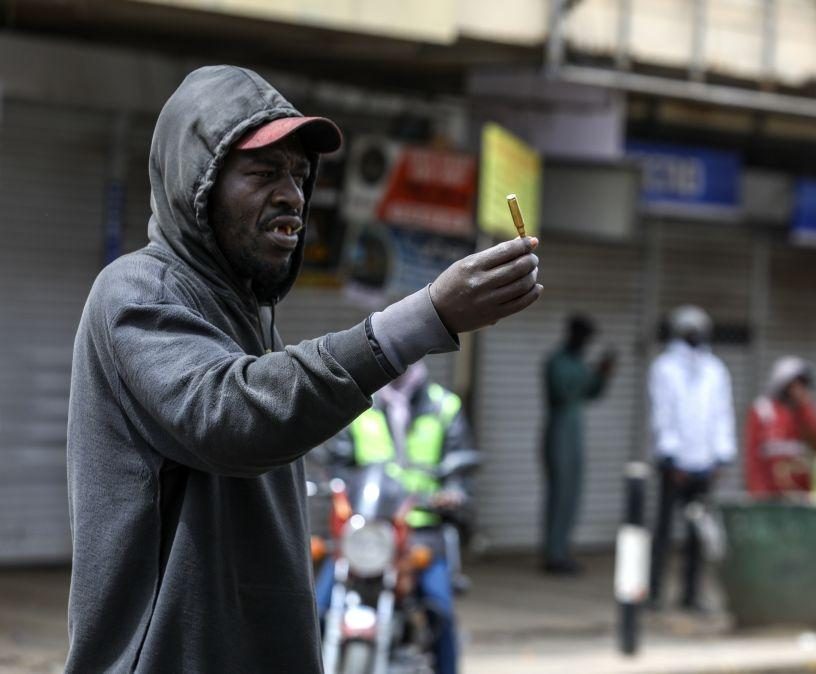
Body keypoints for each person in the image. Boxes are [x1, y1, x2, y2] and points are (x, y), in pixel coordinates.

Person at [65, 65, 542, 673]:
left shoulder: (249, 317)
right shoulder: (139, 291)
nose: (292, 193)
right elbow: (230, 416)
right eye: (264, 172)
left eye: (299, 174)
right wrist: (422, 318)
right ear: (197, 186)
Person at [309, 361, 471, 674]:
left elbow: (459, 465)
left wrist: (453, 492)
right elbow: (339, 463)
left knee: (442, 611)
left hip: (421, 530)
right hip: (366, 530)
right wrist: (331, 484)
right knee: (317, 606)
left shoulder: (443, 406)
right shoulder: (358, 404)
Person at [648, 305, 735, 611]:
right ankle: (653, 593)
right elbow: (663, 415)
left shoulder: (715, 370)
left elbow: (722, 415)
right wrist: (670, 457)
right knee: (662, 531)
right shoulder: (665, 367)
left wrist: (721, 457)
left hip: (705, 465)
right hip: (675, 466)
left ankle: (691, 594)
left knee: (697, 534)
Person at [541, 314, 615, 574]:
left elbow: (592, 393)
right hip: (559, 433)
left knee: (572, 495)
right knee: (559, 495)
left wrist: (604, 374)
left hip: (574, 434)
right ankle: (553, 554)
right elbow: (565, 392)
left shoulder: (577, 362)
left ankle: (563, 549)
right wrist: (592, 373)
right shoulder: (557, 361)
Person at [745, 356, 816, 496]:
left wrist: (806, 410)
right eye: (792, 385)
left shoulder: (805, 412)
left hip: (801, 497)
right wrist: (757, 493)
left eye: (802, 385)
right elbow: (753, 458)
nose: (797, 391)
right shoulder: (762, 410)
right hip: (768, 497)